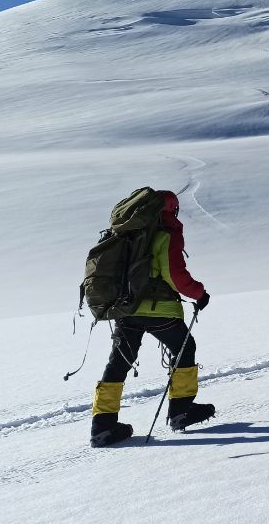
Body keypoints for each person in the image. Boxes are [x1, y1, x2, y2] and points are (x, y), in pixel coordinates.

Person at [90, 191, 213, 447]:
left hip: (125, 308)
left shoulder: (127, 232)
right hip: (160, 310)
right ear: (170, 209)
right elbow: (175, 274)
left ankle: (102, 426)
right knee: (184, 348)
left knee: (119, 363)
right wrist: (199, 293)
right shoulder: (166, 232)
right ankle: (181, 411)